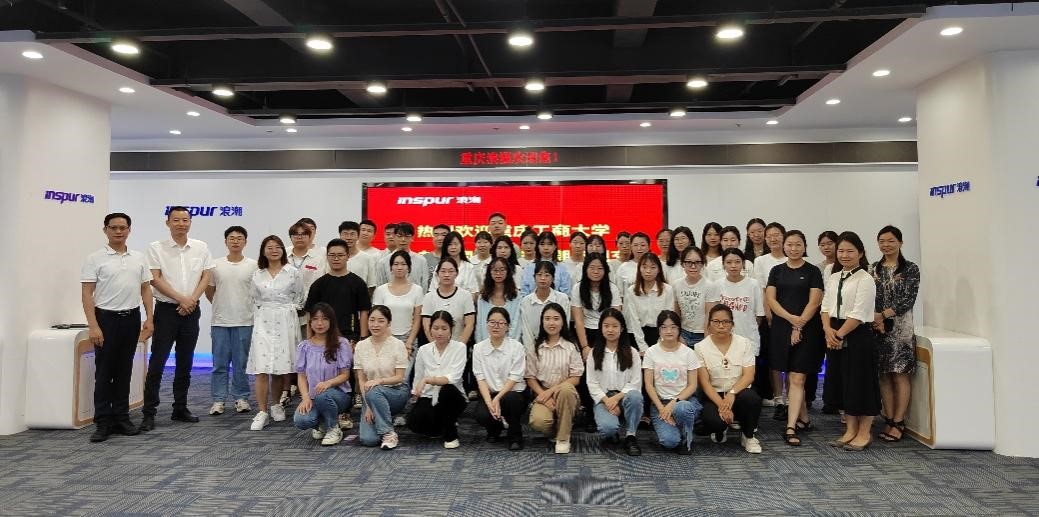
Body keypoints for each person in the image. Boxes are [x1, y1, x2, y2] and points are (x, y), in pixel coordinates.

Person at [81, 212, 155, 442]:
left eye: (123, 227)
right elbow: (87, 294)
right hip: (106, 319)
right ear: (105, 230)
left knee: (124, 370)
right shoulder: (95, 258)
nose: (118, 231)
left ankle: (122, 418)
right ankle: (103, 421)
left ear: (129, 230)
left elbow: (146, 289)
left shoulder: (139, 257)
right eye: (113, 227)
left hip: (131, 319)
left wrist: (149, 319)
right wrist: (93, 325)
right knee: (104, 372)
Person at [141, 206, 214, 431]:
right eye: (176, 220)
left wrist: (191, 300)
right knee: (157, 362)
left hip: (191, 311)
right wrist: (182, 299)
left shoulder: (201, 247)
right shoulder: (156, 248)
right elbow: (154, 278)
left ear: (190, 222)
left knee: (185, 362)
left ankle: (180, 408)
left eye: (185, 220)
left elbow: (206, 276)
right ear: (168, 223)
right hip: (166, 311)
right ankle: (149, 412)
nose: (181, 224)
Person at [765, 230, 825, 445]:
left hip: (808, 330)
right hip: (782, 328)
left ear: (804, 246)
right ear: (784, 246)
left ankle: (790, 427)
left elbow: (814, 302)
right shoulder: (776, 270)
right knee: (790, 376)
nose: (793, 248)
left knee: (797, 378)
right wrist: (792, 320)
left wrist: (799, 325)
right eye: (789, 244)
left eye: (798, 244)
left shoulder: (813, 271)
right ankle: (804, 419)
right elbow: (771, 300)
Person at [822, 231, 880, 451]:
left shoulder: (865, 279)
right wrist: (828, 330)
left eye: (850, 251)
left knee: (860, 384)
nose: (844, 255)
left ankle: (864, 433)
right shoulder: (834, 276)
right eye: (841, 251)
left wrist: (838, 335)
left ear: (860, 253)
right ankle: (850, 430)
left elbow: (858, 313)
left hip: (857, 336)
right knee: (843, 384)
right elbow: (825, 307)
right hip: (834, 333)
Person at [247, 235, 304, 430]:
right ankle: (262, 411)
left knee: (280, 368)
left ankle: (276, 404)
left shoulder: (292, 272)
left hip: (285, 321)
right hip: (263, 321)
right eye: (270, 247)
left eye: (278, 247)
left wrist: (288, 310)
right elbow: (254, 298)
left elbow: (300, 297)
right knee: (261, 368)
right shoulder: (258, 274)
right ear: (263, 251)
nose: (274, 250)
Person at [871, 225, 920, 443]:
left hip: (901, 330)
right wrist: (876, 319)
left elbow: (908, 299)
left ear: (900, 242)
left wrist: (883, 315)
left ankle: (899, 422)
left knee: (900, 374)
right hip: (877, 328)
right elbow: (869, 297)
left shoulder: (910, 269)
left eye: (891, 241)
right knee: (884, 375)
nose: (886, 245)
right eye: (882, 241)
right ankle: (889, 419)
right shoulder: (873, 269)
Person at [696, 305, 764, 454]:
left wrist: (732, 393)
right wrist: (723, 405)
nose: (721, 326)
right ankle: (721, 428)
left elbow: (749, 376)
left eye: (725, 322)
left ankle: (748, 436)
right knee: (713, 421)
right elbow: (705, 383)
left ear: (732, 324)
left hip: (739, 392)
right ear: (709, 324)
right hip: (715, 395)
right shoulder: (700, 347)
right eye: (716, 321)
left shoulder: (744, 343)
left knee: (751, 399)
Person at [204, 226, 257, 417]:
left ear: (245, 242)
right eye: (232, 238)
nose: (235, 241)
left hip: (244, 321)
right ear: (225, 241)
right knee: (219, 364)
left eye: (239, 238)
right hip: (220, 321)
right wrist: (222, 305)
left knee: (241, 364)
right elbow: (209, 291)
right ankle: (218, 400)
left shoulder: (254, 265)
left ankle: (241, 398)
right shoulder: (215, 265)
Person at [525, 303, 584, 454]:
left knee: (565, 390)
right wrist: (543, 395)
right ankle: (560, 427)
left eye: (556, 319)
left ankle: (563, 438)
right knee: (539, 422)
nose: (551, 323)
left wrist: (550, 392)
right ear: (542, 322)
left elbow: (576, 377)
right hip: (543, 392)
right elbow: (530, 377)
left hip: (566, 392)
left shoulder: (571, 346)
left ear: (563, 321)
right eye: (547, 319)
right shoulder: (535, 347)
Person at [643, 310, 703, 454]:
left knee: (682, 408)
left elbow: (692, 385)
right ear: (659, 330)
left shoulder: (688, 353)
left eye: (673, 327)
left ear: (679, 329)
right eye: (664, 327)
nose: (669, 331)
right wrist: (662, 408)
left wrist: (673, 403)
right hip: (660, 403)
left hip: (684, 401)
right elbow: (649, 385)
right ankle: (676, 428)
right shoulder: (651, 352)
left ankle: (686, 437)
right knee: (669, 442)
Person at [293, 302, 353, 445]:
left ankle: (333, 428)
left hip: (338, 395)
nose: (320, 323)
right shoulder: (304, 346)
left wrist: (328, 383)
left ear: (331, 321)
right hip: (314, 396)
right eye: (315, 319)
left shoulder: (341, 344)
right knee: (301, 420)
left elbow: (345, 375)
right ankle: (322, 423)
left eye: (324, 319)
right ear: (310, 322)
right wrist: (305, 398)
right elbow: (301, 376)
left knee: (323, 395)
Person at [586, 308, 643, 456]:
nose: (610, 330)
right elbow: (591, 383)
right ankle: (613, 430)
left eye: (614, 326)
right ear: (601, 328)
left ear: (622, 328)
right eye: (606, 326)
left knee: (635, 396)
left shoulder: (632, 352)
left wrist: (616, 399)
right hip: (604, 398)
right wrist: (607, 400)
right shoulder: (593, 353)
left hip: (624, 397)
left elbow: (635, 382)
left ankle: (631, 435)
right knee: (607, 429)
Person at [408, 311, 468, 449]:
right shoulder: (424, 350)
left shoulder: (460, 348)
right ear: (430, 329)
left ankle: (451, 436)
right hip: (429, 395)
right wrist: (416, 393)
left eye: (444, 328)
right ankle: (444, 423)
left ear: (451, 329)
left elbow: (453, 378)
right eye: (435, 328)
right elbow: (418, 376)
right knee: (414, 422)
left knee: (447, 390)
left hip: (453, 396)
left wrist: (428, 380)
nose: (439, 332)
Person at [354, 306, 409, 449]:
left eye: (381, 321)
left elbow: (400, 377)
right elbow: (362, 380)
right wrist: (369, 405)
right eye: (372, 320)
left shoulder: (398, 345)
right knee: (368, 440)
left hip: (396, 391)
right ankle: (384, 421)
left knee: (375, 390)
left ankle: (389, 433)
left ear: (389, 323)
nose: (375, 325)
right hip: (370, 395)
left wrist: (379, 381)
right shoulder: (361, 346)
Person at [472, 307, 527, 450]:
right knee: (482, 415)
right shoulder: (478, 348)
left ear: (507, 326)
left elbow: (515, 377)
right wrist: (489, 402)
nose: (496, 326)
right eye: (492, 322)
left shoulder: (517, 347)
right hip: (490, 393)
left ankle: (515, 436)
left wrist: (497, 399)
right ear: (486, 324)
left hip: (513, 393)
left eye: (501, 323)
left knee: (511, 400)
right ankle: (494, 429)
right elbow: (480, 378)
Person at [305, 239, 371, 344]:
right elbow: (310, 314)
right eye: (332, 255)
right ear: (327, 257)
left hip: (350, 338)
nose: (336, 259)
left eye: (340, 255)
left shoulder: (358, 283)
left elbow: (364, 312)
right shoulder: (318, 284)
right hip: (323, 338)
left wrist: (363, 340)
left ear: (348, 256)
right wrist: (309, 341)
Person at [752, 222, 787, 409]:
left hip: (792, 316)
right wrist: (768, 314)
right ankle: (778, 398)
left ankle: (793, 397)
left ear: (784, 236)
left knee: (792, 359)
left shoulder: (792, 259)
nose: (773, 238)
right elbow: (762, 290)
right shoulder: (761, 261)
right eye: (769, 236)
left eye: (777, 234)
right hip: (771, 316)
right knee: (774, 358)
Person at [371, 250, 423, 354]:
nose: (399, 267)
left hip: (408, 339)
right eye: (396, 264)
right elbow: (376, 316)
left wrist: (409, 341)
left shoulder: (417, 290)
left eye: (403, 264)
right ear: (391, 268)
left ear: (409, 267)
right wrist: (389, 339)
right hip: (385, 337)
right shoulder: (381, 290)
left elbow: (417, 319)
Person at [715, 248, 765, 356]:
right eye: (729, 262)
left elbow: (759, 315)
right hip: (724, 339)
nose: (733, 266)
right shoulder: (717, 285)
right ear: (723, 265)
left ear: (743, 263)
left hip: (748, 339)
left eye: (737, 262)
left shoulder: (753, 284)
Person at [624, 253, 677, 353]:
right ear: (639, 269)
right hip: (639, 335)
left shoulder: (667, 290)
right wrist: (642, 346)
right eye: (644, 267)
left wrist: (660, 343)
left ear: (659, 269)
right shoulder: (632, 290)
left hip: (661, 334)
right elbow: (634, 320)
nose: (648, 271)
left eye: (653, 267)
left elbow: (668, 318)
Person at [571, 253, 622, 355]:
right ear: (585, 269)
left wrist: (610, 342)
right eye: (592, 268)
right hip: (585, 331)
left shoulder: (612, 288)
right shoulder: (577, 288)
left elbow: (615, 318)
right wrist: (585, 347)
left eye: (600, 268)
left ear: (605, 270)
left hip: (607, 330)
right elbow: (578, 320)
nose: (596, 271)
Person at [672, 246, 720, 347]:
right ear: (682, 264)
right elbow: (676, 314)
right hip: (683, 333)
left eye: (697, 262)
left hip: (702, 334)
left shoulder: (710, 286)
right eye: (688, 262)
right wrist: (678, 335)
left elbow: (710, 316)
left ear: (702, 264)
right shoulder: (677, 284)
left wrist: (706, 343)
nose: (693, 266)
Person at [421, 257, 476, 344]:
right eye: (443, 271)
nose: (446, 275)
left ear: (456, 273)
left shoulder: (465, 296)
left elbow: (469, 324)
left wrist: (460, 347)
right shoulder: (429, 297)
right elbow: (426, 326)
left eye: (450, 271)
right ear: (437, 274)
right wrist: (435, 346)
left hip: (458, 345)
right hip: (435, 345)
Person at [519, 261, 571, 350]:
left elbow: (564, 326)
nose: (543, 278)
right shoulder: (526, 301)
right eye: (539, 275)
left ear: (553, 278)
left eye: (547, 275)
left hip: (558, 346)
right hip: (533, 346)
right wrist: (531, 351)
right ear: (534, 277)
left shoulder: (562, 299)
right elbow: (526, 331)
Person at [816, 230, 840, 413]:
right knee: (827, 360)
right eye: (822, 244)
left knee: (840, 361)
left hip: (843, 319)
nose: (826, 247)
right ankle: (830, 400)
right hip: (824, 316)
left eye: (830, 243)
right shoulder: (820, 268)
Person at [476, 257, 522, 343]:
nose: (498, 273)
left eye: (502, 270)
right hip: (486, 344)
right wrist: (481, 345)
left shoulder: (516, 296)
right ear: (489, 272)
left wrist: (510, 345)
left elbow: (516, 324)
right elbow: (480, 325)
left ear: (508, 272)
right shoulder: (483, 297)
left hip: (511, 345)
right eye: (495, 270)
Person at [376, 222, 430, 291]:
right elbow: (380, 286)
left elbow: (424, 286)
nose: (403, 239)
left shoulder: (421, 260)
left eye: (407, 236)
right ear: (394, 237)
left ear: (412, 238)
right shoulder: (384, 262)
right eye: (400, 236)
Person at [519, 231, 573, 298]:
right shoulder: (529, 267)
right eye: (542, 244)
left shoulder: (562, 268)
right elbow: (524, 292)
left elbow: (566, 293)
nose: (546, 248)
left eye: (549, 244)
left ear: (555, 246)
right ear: (537, 246)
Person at [430, 231, 478, 295]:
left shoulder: (469, 267)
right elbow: (433, 291)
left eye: (456, 244)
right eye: (450, 244)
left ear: (461, 245)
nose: (453, 247)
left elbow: (474, 292)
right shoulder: (439, 267)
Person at [338, 221, 376, 291]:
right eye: (345, 234)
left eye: (352, 234)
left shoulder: (367, 258)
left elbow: (371, 286)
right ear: (340, 236)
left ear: (358, 236)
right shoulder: (333, 258)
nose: (349, 238)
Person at [616, 232, 651, 300]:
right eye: (635, 245)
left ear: (648, 246)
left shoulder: (656, 266)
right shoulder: (623, 268)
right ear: (631, 247)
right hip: (630, 306)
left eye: (643, 245)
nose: (639, 248)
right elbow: (619, 295)